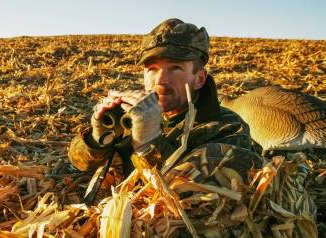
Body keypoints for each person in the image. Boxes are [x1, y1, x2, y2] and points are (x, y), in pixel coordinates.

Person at [68, 18, 262, 186]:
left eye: (175, 68)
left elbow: (189, 192)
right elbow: (79, 164)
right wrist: (98, 138)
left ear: (200, 78)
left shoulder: (228, 129)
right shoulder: (132, 115)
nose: (160, 80)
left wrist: (149, 140)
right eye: (152, 69)